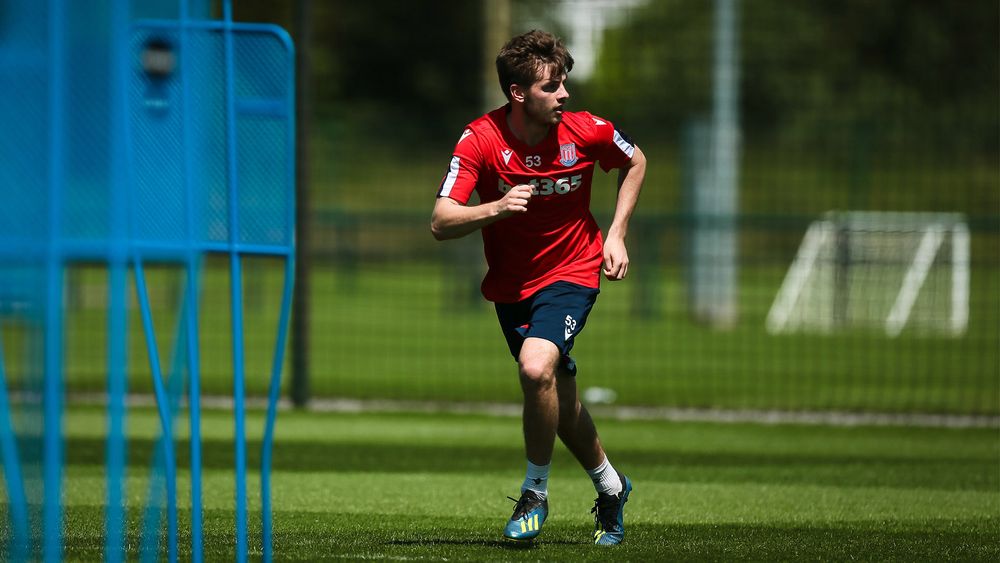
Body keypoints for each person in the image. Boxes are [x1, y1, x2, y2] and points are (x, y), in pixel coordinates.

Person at [430, 29, 646, 546]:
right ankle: (612, 486)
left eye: (565, 83)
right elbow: (441, 220)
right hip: (511, 285)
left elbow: (635, 160)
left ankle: (535, 491)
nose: (565, 95)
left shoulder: (587, 130)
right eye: (553, 87)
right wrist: (496, 207)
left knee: (534, 367)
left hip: (573, 271)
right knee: (552, 390)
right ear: (518, 93)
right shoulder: (479, 139)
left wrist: (615, 234)